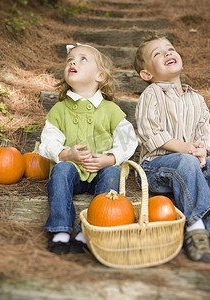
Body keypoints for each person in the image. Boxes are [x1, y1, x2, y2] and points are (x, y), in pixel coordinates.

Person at [133, 34, 210, 264]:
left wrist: (203, 149)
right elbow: (149, 131)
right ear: (147, 74)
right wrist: (185, 149)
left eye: (170, 49)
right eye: (157, 53)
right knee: (186, 161)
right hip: (155, 167)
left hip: (192, 162)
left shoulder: (197, 99)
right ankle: (197, 229)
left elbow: (205, 136)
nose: (167, 53)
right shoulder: (151, 94)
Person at [39, 44, 138, 255]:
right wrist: (66, 154)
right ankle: (61, 230)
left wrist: (111, 158)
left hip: (102, 171)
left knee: (113, 174)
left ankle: (88, 230)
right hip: (73, 172)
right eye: (69, 60)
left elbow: (129, 139)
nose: (73, 62)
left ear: (99, 75)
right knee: (61, 170)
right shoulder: (59, 110)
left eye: (83, 59)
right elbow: (49, 141)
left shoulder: (110, 109)